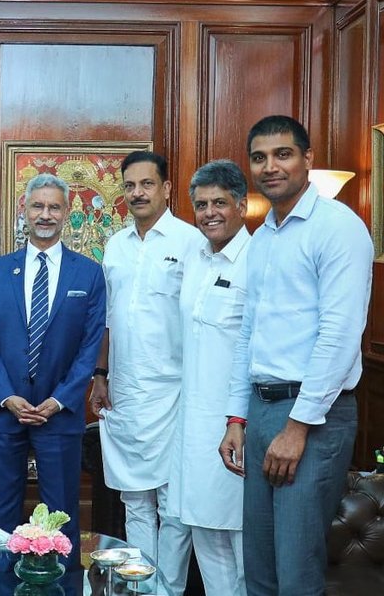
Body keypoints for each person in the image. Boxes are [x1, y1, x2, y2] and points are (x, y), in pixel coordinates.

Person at [219, 115, 373, 596]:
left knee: (297, 570)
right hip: (262, 412)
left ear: (307, 159)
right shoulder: (263, 236)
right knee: (260, 565)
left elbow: (340, 336)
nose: (271, 166)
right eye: (260, 157)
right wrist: (236, 419)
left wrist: (298, 426)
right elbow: (249, 333)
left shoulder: (338, 228)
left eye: (283, 154)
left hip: (312, 417)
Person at [0, 173, 106, 565]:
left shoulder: (89, 273)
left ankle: (62, 590)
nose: (45, 214)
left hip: (58, 416)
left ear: (66, 212)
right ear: (24, 211)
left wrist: (59, 400)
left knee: (61, 520)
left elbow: (89, 346)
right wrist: (7, 397)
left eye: (53, 207)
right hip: (3, 413)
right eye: (37, 206)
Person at [91, 151, 202, 594]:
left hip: (178, 392)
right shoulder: (115, 245)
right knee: (134, 500)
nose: (138, 193)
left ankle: (168, 590)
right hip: (125, 390)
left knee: (174, 505)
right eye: (130, 185)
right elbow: (107, 318)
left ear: (167, 188)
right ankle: (141, 588)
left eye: (147, 184)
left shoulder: (191, 241)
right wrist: (100, 374)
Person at [167, 160, 250, 595]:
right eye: (201, 204)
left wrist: (240, 421)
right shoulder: (195, 257)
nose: (209, 212)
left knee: (240, 535)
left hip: (236, 422)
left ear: (243, 205)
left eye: (219, 202)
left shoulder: (257, 260)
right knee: (203, 530)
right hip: (193, 423)